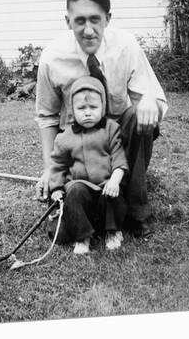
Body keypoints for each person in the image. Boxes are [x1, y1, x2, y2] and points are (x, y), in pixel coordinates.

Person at [35, 0, 168, 237]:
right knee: (67, 212)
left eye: (95, 19)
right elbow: (48, 117)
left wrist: (149, 100)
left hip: (120, 138)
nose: (88, 30)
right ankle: (85, 200)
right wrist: (50, 170)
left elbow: (156, 98)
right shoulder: (52, 58)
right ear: (67, 21)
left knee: (135, 114)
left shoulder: (126, 45)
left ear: (108, 18)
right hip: (79, 141)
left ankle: (136, 209)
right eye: (80, 21)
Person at [49, 75, 129, 254]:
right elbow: (58, 165)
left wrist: (115, 180)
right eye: (81, 108)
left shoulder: (111, 129)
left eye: (93, 107)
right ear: (72, 110)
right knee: (75, 191)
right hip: (81, 189)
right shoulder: (65, 137)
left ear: (103, 107)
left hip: (105, 187)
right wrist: (55, 188)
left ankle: (113, 231)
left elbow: (119, 159)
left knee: (113, 195)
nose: (87, 112)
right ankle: (82, 237)